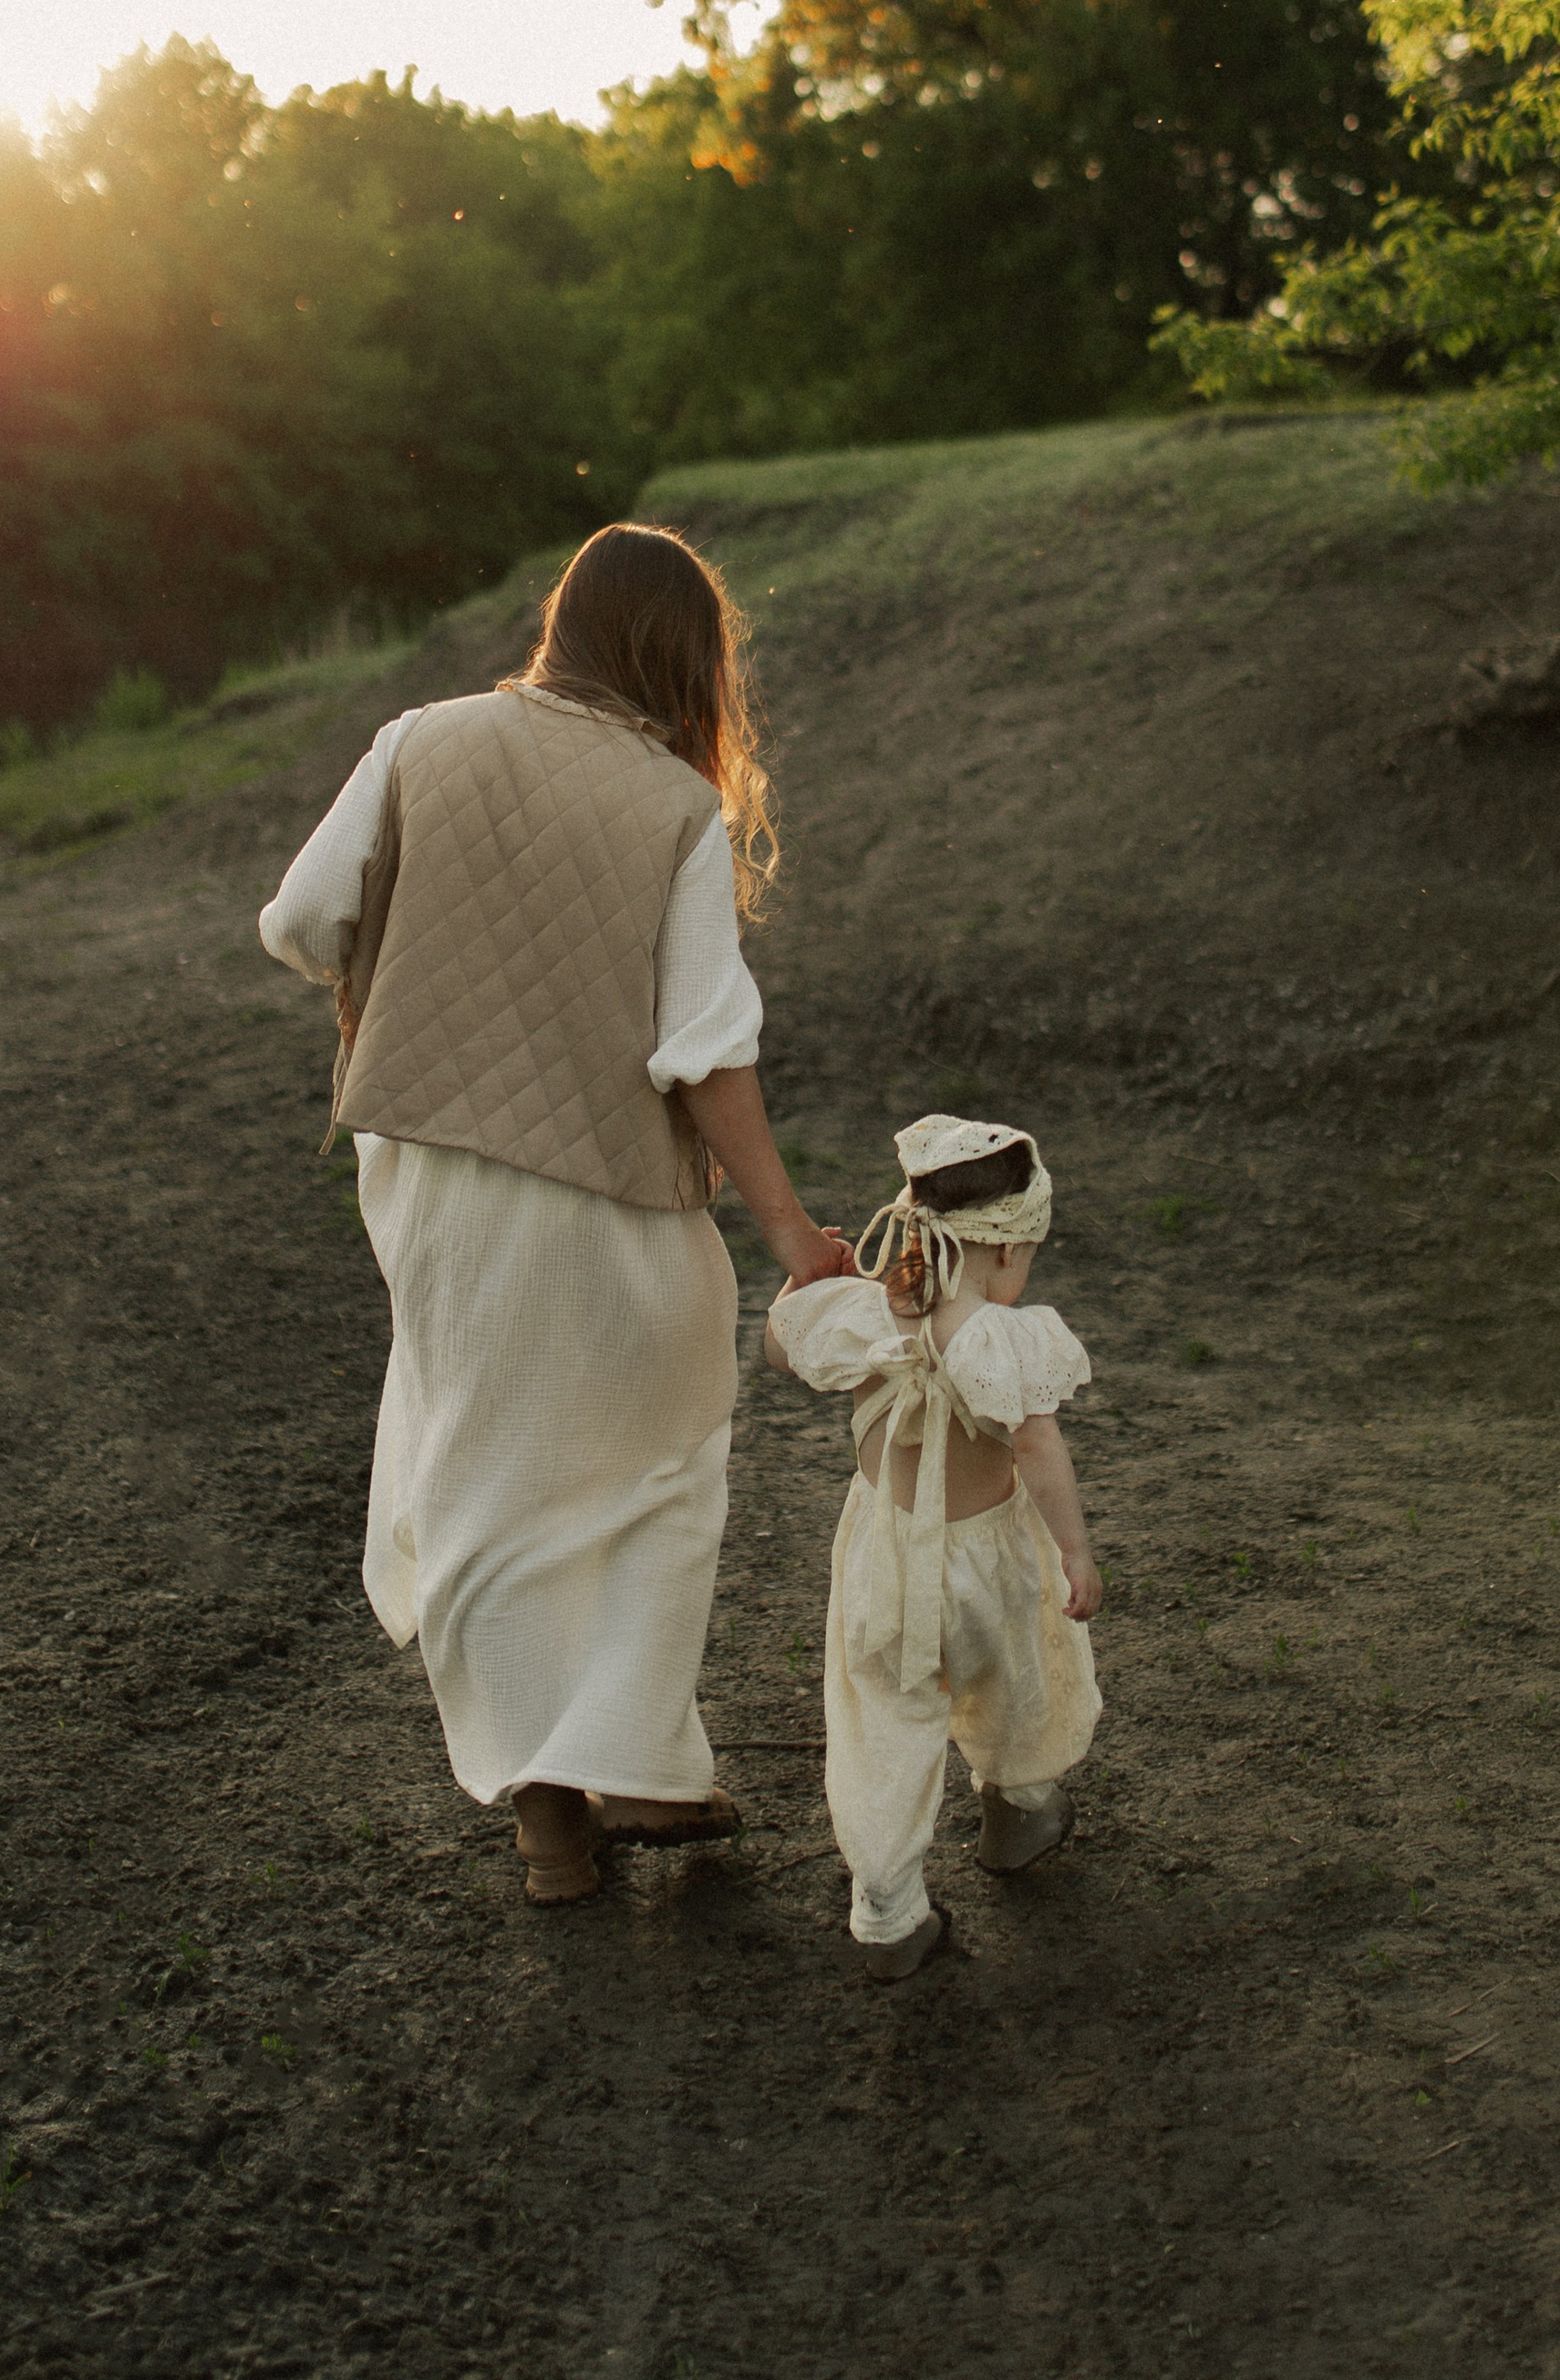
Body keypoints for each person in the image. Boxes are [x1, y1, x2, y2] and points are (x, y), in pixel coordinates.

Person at [258, 521, 851, 1907]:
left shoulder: (420, 738)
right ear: (689, 660)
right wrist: (786, 1236)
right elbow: (705, 1049)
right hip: (614, 1195)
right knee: (660, 1453)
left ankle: (549, 1823)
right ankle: (639, 1761)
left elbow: (298, 922)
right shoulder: (672, 808)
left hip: (434, 1180)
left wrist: (414, 972)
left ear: (564, 624)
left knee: (487, 1469)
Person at [763, 1113, 1102, 1979]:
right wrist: (1073, 1552)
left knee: (884, 1721)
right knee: (1016, 1674)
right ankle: (1018, 1812)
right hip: (985, 1564)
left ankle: (886, 1906)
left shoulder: (858, 1313)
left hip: (888, 1563)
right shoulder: (1004, 1339)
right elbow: (1035, 1447)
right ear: (998, 1254)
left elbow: (777, 1345)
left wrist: (799, 1289)